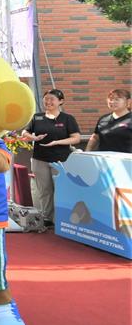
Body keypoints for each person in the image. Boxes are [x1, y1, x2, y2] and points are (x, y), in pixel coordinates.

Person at [20, 89, 81, 226]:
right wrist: (34, 138)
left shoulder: (67, 119)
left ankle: (62, 219)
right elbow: (25, 132)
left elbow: (76, 138)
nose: (48, 102)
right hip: (39, 159)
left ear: (61, 101)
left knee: (61, 190)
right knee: (44, 190)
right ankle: (47, 217)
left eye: (52, 99)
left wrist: (57, 142)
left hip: (60, 160)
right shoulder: (37, 117)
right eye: (46, 99)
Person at [86, 88, 131, 153]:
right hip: (104, 157)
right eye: (111, 99)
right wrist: (87, 151)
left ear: (128, 101)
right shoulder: (103, 119)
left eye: (117, 99)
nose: (112, 102)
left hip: (126, 157)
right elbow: (95, 137)